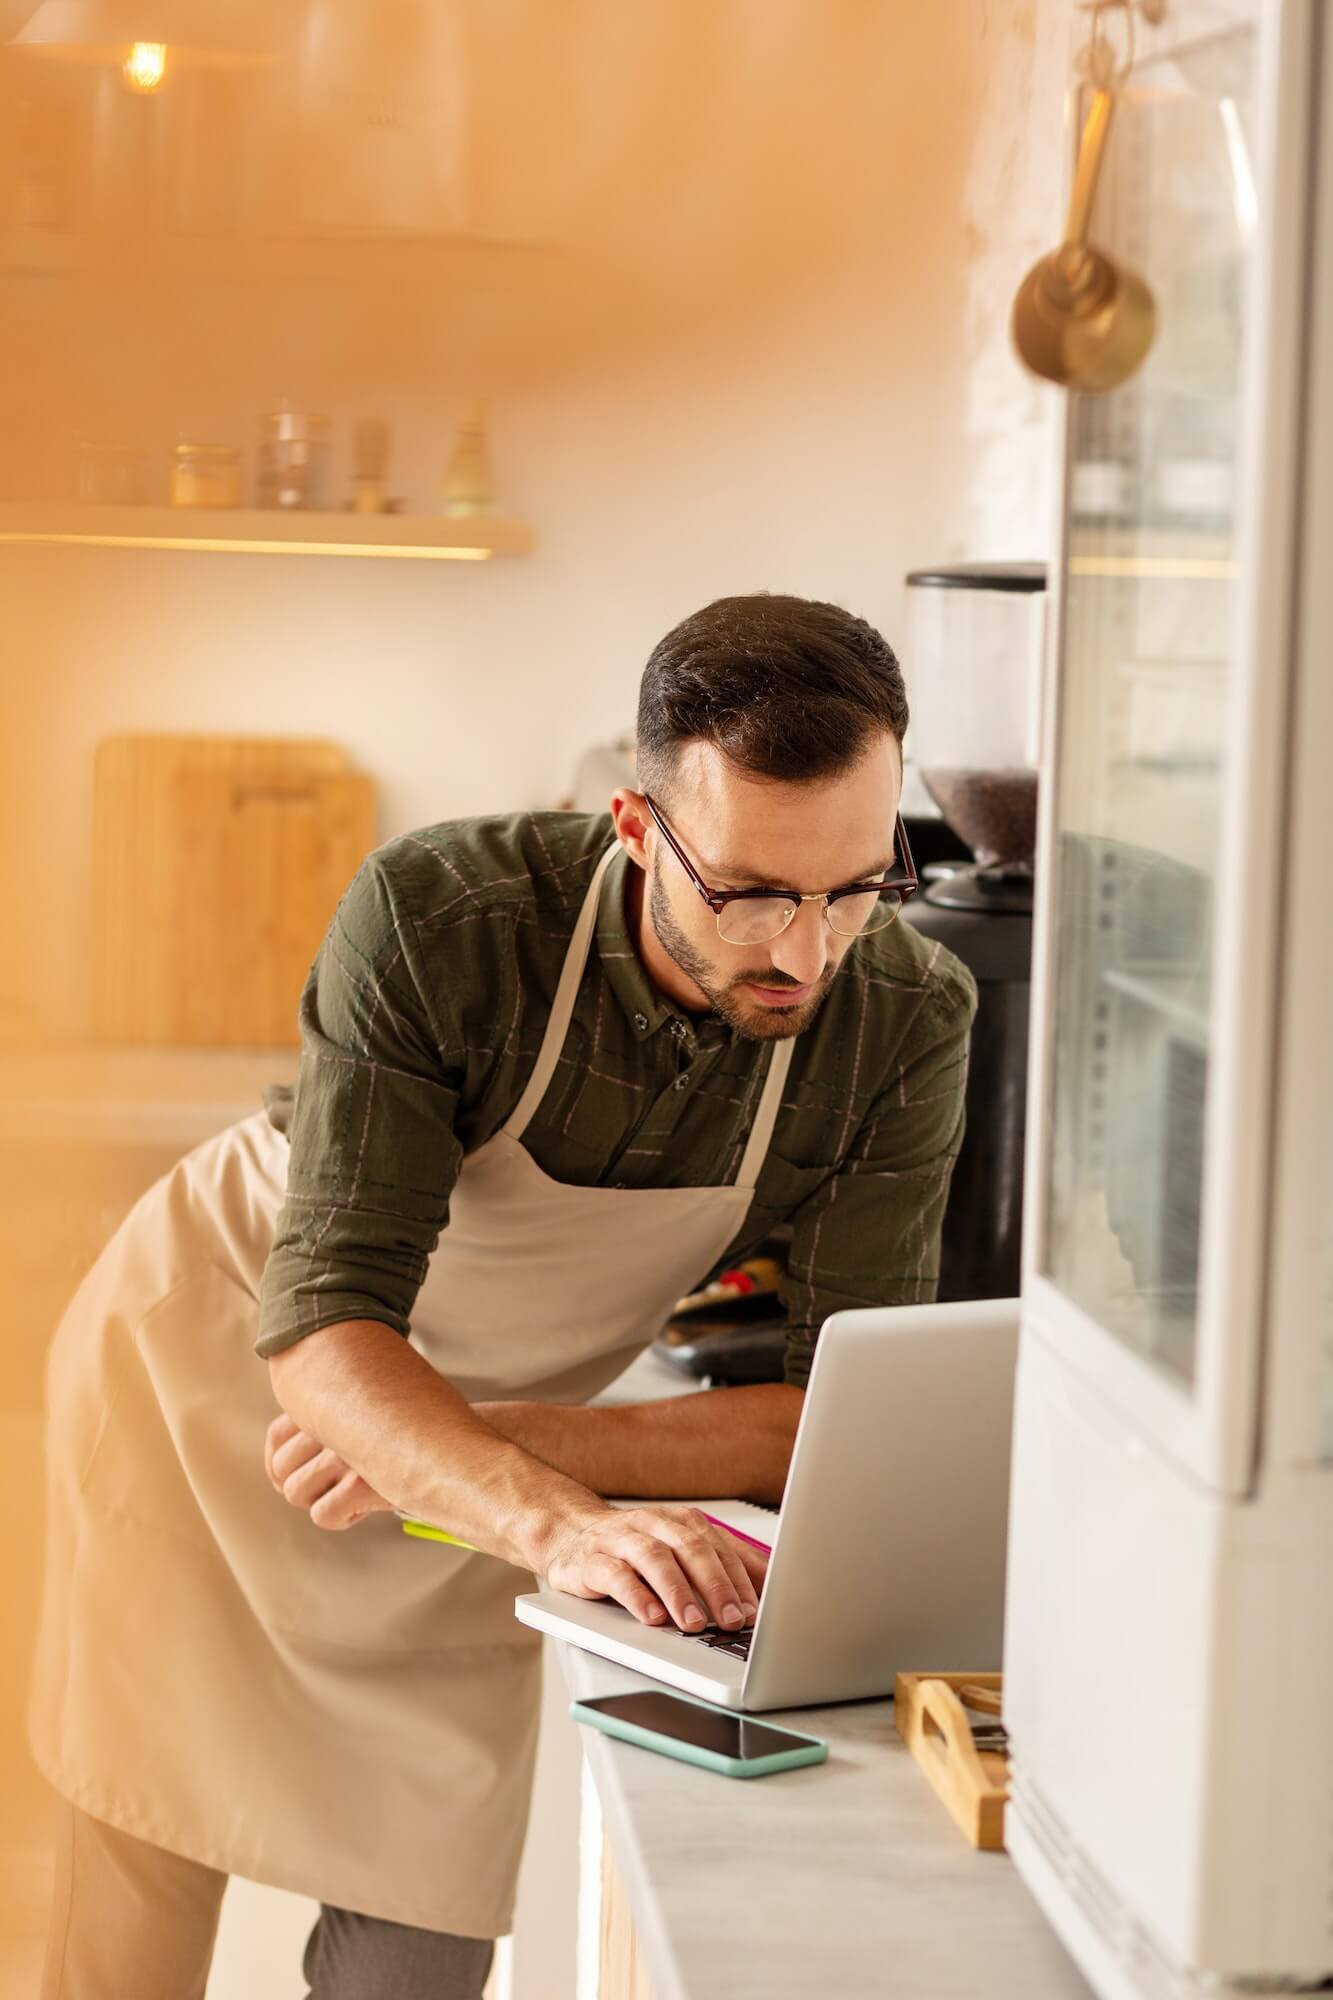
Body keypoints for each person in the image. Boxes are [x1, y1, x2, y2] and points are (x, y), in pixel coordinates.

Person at [32, 592, 977, 1999]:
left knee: (418, 1936)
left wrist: (515, 1445)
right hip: (204, 1389)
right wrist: (550, 1519)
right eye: (749, 893)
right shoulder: (443, 915)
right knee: (132, 1898)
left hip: (461, 1470)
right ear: (637, 829)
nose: (806, 953)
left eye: (853, 887)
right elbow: (324, 1324)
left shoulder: (903, 1015)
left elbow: (829, 1415)